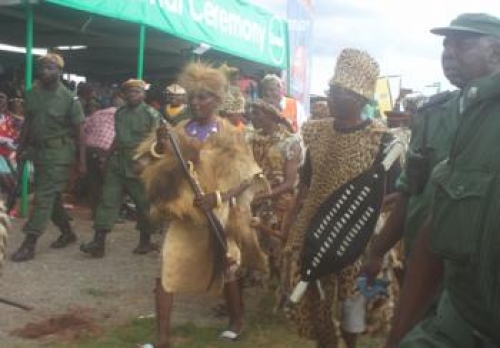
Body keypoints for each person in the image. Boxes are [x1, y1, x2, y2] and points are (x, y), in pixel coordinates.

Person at [386, 13, 500, 348]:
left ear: (495, 53)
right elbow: (417, 193)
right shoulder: (436, 114)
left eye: (461, 44)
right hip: (442, 285)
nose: (448, 54)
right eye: (445, 46)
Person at [136, 62, 268, 348]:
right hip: (185, 213)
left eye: (203, 97)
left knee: (227, 265)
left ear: (217, 101)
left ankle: (237, 321)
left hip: (217, 211)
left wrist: (218, 198)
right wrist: (161, 147)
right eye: (193, 96)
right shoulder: (178, 129)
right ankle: (162, 338)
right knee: (167, 267)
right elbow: (149, 164)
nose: (195, 102)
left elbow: (249, 177)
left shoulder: (231, 134)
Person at [280, 48, 398, 348]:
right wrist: (292, 219)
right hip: (313, 227)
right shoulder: (316, 133)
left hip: (357, 234)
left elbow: (396, 190)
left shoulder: (381, 139)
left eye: (336, 92)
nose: (328, 98)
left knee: (352, 300)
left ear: (358, 98)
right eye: (330, 90)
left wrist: (360, 210)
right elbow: (307, 181)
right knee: (314, 293)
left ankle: (350, 342)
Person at [10, 53, 85, 262]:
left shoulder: (70, 99)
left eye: (50, 68)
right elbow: (28, 124)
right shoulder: (32, 94)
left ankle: (29, 242)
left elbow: (80, 133)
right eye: (42, 67)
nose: (45, 71)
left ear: (60, 71)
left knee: (43, 196)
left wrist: (82, 162)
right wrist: (21, 148)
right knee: (51, 198)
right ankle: (67, 233)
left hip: (59, 154)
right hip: (38, 152)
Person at [79, 79, 159, 258]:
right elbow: (118, 138)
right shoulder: (120, 113)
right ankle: (98, 242)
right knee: (107, 200)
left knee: (143, 204)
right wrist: (106, 157)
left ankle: (145, 241)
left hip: (139, 163)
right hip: (118, 162)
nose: (132, 95)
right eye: (129, 92)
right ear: (124, 95)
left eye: (137, 92)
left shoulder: (151, 114)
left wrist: (146, 161)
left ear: (143, 95)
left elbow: (157, 142)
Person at [247, 99, 303, 280]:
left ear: (270, 116)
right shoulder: (250, 139)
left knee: (277, 250)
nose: (252, 117)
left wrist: (263, 196)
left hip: (280, 204)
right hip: (253, 200)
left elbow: (289, 182)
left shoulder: (290, 142)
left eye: (257, 114)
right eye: (251, 113)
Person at [81, 93, 123, 212]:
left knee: (94, 182)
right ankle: (108, 213)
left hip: (90, 148)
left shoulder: (97, 113)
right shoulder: (123, 115)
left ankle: (95, 212)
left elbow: (84, 128)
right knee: (110, 183)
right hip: (107, 150)